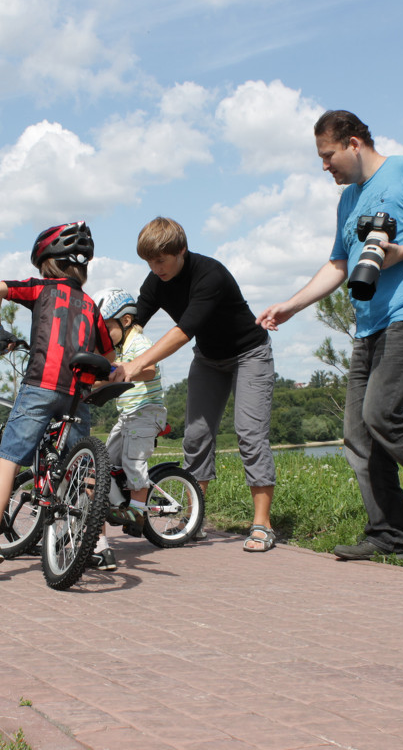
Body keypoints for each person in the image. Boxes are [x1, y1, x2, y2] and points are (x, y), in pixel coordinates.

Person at [256, 109, 403, 560]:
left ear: (354, 142)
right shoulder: (348, 201)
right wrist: (291, 305)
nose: (325, 166)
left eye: (328, 156)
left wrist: (402, 252)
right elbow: (340, 265)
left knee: (381, 414)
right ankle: (390, 536)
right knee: (359, 435)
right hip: (369, 326)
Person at [0, 221, 116, 580]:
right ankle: (99, 546)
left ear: (47, 263)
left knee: (9, 457)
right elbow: (108, 351)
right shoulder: (90, 304)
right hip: (77, 396)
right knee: (80, 471)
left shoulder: (41, 290)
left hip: (41, 385)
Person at [111, 217, 278, 553]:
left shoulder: (209, 275)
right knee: (197, 435)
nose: (156, 268)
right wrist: (111, 358)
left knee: (249, 433)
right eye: (149, 262)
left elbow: (182, 332)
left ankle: (262, 524)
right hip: (209, 359)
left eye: (161, 260)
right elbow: (134, 326)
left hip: (250, 353)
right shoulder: (156, 280)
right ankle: (195, 520)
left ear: (181, 251)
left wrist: (137, 364)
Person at [88, 287, 167, 571]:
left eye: (106, 328)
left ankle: (136, 512)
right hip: (127, 416)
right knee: (103, 462)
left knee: (134, 462)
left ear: (124, 321)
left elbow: (150, 370)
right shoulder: (119, 349)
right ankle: (119, 500)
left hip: (146, 413)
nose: (104, 337)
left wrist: (126, 366)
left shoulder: (138, 342)